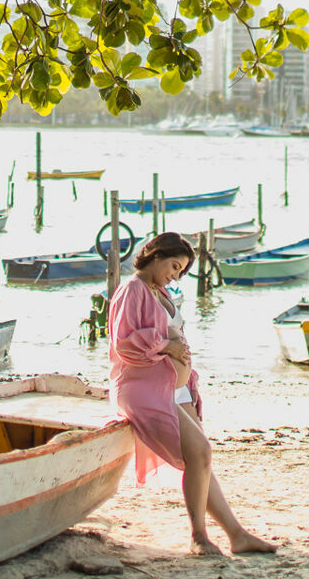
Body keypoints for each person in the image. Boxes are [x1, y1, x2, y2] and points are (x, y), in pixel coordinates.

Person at [107, 232, 277, 557]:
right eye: (174, 266)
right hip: (143, 388)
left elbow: (170, 333)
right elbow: (125, 342)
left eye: (182, 271)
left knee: (202, 460)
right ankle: (198, 537)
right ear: (155, 255)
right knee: (199, 453)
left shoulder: (160, 290)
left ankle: (237, 535)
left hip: (174, 387)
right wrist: (167, 346)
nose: (176, 274)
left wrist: (181, 364)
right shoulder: (133, 289)